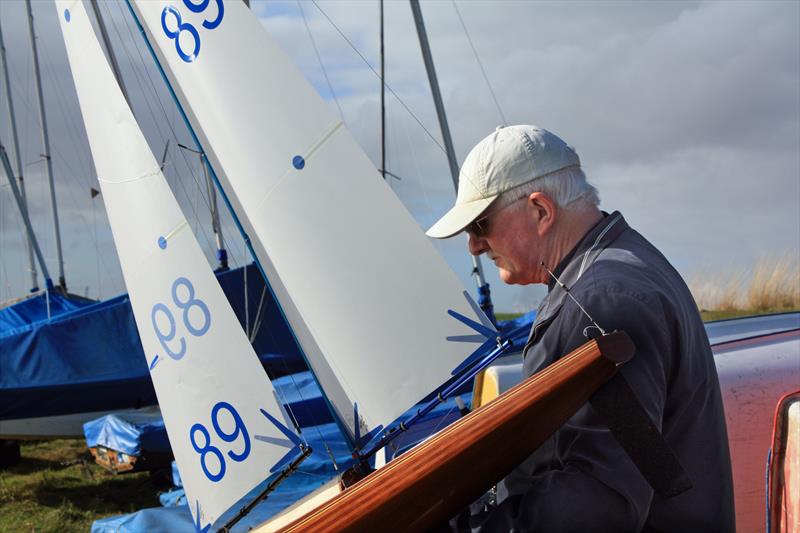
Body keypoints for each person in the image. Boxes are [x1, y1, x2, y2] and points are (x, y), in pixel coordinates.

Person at [426, 125, 735, 532]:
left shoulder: (605, 302)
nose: (473, 246)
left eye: (480, 224)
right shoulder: (617, 271)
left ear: (541, 211)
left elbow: (602, 499)